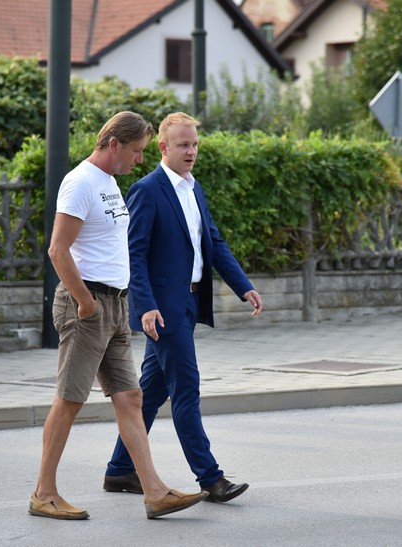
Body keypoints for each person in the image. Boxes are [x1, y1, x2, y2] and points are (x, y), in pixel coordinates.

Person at [30, 111, 207, 520]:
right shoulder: (80, 182)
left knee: (131, 398)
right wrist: (85, 303)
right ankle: (43, 493)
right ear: (114, 145)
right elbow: (58, 249)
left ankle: (155, 492)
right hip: (88, 306)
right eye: (137, 150)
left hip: (115, 305)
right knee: (69, 401)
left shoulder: (108, 182)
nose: (140, 159)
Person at [104, 112, 263, 503]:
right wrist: (145, 306)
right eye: (183, 145)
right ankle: (211, 478)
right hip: (164, 310)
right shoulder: (147, 190)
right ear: (163, 147)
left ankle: (120, 469)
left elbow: (214, 243)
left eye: (194, 144)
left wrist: (243, 286)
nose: (191, 151)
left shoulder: (194, 188)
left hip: (189, 303)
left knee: (151, 391)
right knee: (186, 389)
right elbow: (134, 253)